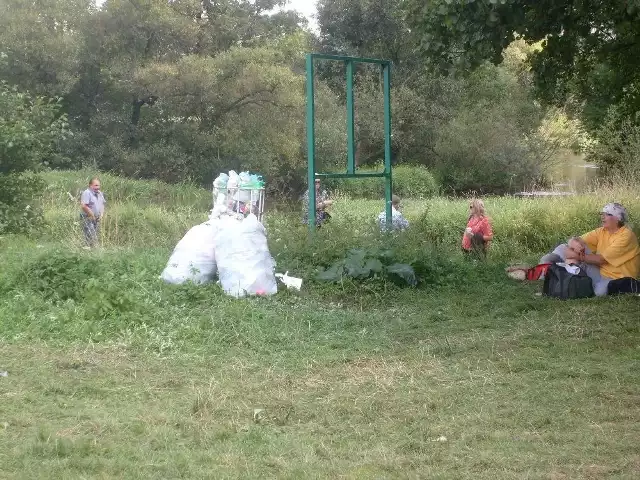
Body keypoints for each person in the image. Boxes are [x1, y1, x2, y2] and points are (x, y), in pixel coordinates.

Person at [539, 203, 640, 295]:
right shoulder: (602, 231)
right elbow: (577, 240)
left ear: (618, 219)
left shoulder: (626, 235)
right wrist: (572, 243)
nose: (603, 217)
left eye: (607, 214)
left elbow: (601, 259)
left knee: (599, 293)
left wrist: (578, 257)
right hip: (599, 271)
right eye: (602, 214)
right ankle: (546, 272)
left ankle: (564, 271)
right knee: (563, 247)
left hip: (616, 278)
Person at [80, 177, 106, 247]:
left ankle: (92, 250)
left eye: (99, 185)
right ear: (90, 185)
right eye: (96, 185)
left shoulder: (100, 193)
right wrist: (91, 214)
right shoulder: (87, 193)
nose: (98, 187)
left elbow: (102, 204)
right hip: (88, 217)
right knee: (90, 235)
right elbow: (84, 206)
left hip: (97, 218)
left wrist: (101, 215)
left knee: (96, 235)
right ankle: (90, 250)